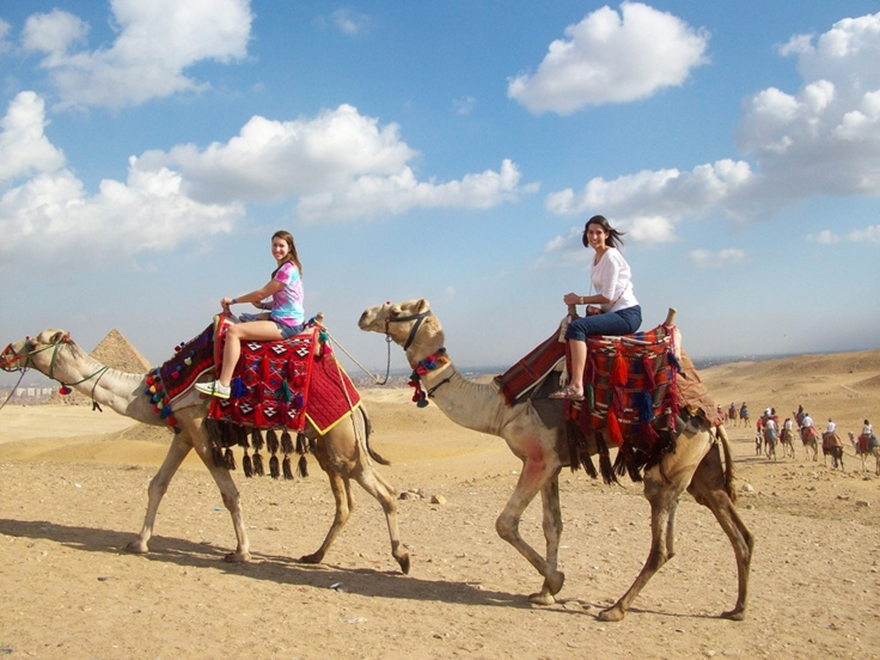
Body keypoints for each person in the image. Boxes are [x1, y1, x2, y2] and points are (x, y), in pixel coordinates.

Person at [196, 230, 305, 399]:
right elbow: (287, 301)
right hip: (285, 316)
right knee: (246, 320)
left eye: (281, 246)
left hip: (286, 324)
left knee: (234, 332)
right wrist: (263, 306)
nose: (277, 249)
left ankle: (223, 384)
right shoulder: (289, 268)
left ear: (289, 248)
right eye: (274, 245)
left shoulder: (286, 270)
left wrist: (234, 301)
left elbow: (261, 293)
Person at [550, 215, 641, 400]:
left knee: (577, 327)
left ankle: (576, 386)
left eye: (598, 232)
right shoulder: (596, 258)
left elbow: (607, 296)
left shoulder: (611, 257)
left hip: (626, 314)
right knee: (578, 324)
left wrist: (579, 299)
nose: (594, 237)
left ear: (606, 234)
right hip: (613, 312)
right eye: (590, 232)